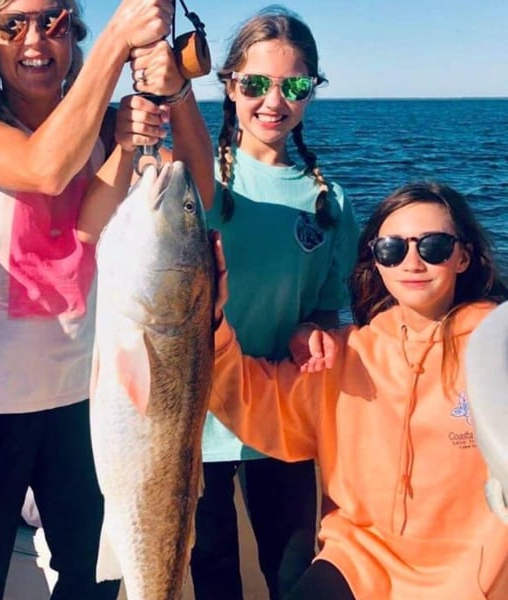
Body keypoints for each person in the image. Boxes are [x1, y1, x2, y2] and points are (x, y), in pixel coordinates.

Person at [0, 0, 213, 598]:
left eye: (53, 22)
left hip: (89, 400)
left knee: (93, 582)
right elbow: (42, 168)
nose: (35, 40)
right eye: (13, 25)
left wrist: (171, 97)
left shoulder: (108, 128)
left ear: (72, 34)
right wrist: (119, 39)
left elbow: (197, 193)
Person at [209, 182, 508, 598]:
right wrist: (206, 318)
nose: (413, 262)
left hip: (474, 573)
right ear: (376, 260)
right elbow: (254, 400)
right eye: (392, 248)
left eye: (434, 246)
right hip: (359, 560)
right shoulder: (346, 354)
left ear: (463, 257)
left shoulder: (497, 348)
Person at [189, 6, 359, 600]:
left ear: (312, 92)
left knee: (292, 572)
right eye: (256, 84)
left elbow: (328, 305)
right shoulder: (193, 183)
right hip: (195, 417)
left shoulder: (328, 199)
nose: (274, 101)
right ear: (230, 86)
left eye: (295, 86)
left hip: (282, 417)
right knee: (211, 573)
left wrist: (311, 330)